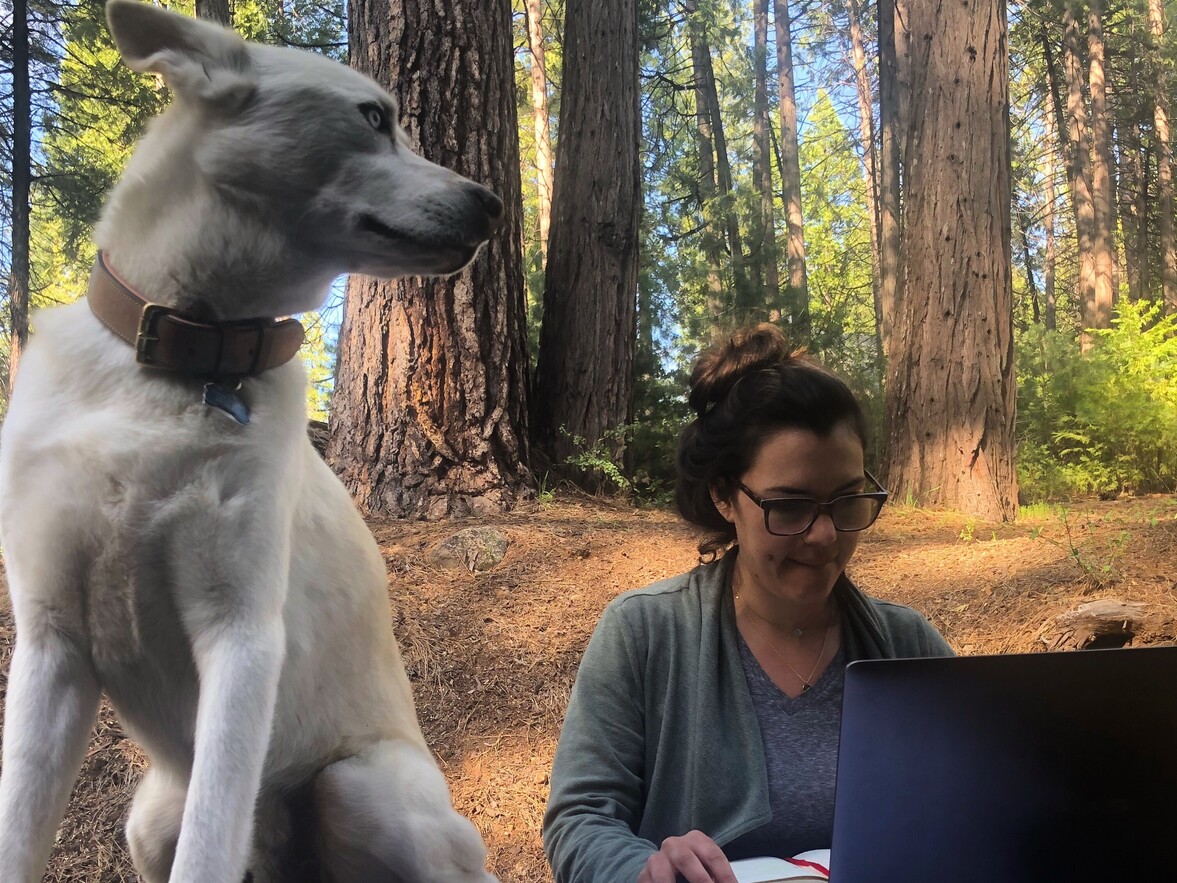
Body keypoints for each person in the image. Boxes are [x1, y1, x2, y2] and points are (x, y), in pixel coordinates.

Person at [542, 323, 954, 883]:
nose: (825, 536)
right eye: (789, 506)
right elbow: (581, 818)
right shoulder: (644, 633)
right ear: (723, 496)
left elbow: (975, 801)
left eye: (848, 500)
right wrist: (644, 870)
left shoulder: (908, 647)